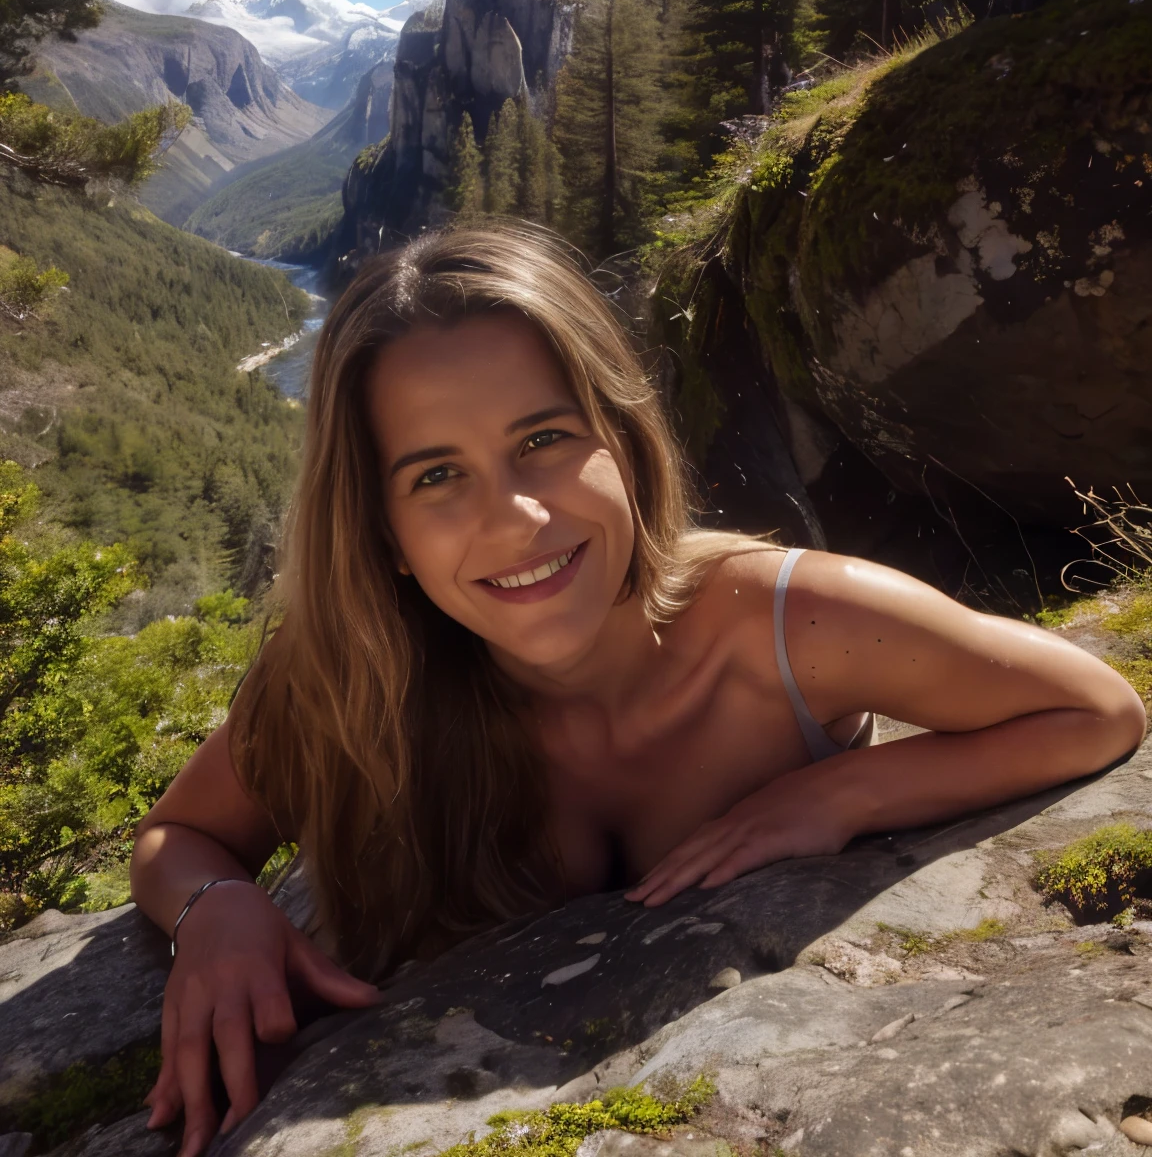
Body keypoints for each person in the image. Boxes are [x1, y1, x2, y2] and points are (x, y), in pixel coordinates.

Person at [131, 222, 1145, 1157]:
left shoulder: (787, 624)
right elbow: (178, 840)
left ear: (624, 438)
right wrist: (217, 912)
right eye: (437, 476)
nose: (518, 516)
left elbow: (1095, 710)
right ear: (381, 533)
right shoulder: (348, 677)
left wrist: (839, 794)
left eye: (544, 440)